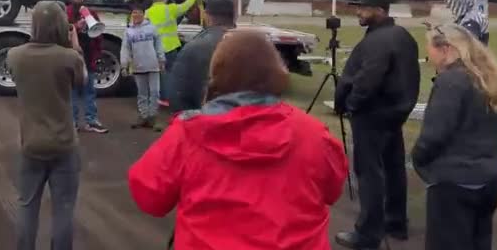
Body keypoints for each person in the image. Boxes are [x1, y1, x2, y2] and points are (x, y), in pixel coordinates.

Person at [128, 29, 348, 250]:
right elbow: (332, 191)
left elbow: (150, 198)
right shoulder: (313, 134)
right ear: (276, 71)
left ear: (217, 74)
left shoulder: (188, 133)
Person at [334, 0, 421, 249]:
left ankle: (368, 233)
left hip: (371, 114)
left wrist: (352, 104)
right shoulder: (402, 36)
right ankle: (396, 223)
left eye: (365, 8)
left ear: (381, 10)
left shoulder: (378, 41)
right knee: (394, 168)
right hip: (394, 113)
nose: (358, 12)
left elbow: (368, 79)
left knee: (369, 172)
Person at [412, 23, 497, 250]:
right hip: (488, 179)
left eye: (430, 48)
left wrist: (418, 159)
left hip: (456, 183)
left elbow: (435, 134)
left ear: (445, 49)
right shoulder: (484, 77)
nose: (428, 54)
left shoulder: (452, 81)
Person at [7, 1, 86, 250]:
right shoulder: (69, 58)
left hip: (30, 143)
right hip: (64, 144)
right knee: (63, 209)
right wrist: (74, 45)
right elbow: (81, 82)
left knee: (27, 205)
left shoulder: (14, 55)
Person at [167, 0, 236, 114]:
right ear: (234, 17)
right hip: (246, 126)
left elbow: (177, 96)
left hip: (208, 123)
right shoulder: (252, 45)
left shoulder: (195, 47)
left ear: (207, 16)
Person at [144, 0, 198, 106]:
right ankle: (168, 98)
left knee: (158, 73)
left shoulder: (147, 13)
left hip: (155, 48)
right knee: (170, 72)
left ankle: (158, 97)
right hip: (170, 47)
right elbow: (186, 5)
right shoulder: (171, 9)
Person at [64, 0, 108, 134]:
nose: (81, 1)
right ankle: (73, 122)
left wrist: (96, 56)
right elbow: (60, 33)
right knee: (72, 93)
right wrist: (76, 27)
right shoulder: (64, 13)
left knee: (90, 92)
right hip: (71, 59)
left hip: (88, 59)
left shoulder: (91, 13)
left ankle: (91, 121)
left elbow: (98, 36)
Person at [121, 6, 166, 129]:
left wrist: (161, 59)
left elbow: (159, 44)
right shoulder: (128, 31)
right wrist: (124, 65)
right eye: (134, 13)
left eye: (139, 12)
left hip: (153, 65)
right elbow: (125, 49)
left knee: (155, 92)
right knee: (142, 93)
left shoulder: (152, 28)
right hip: (138, 66)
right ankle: (143, 116)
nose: (136, 15)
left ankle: (153, 117)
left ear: (143, 14)